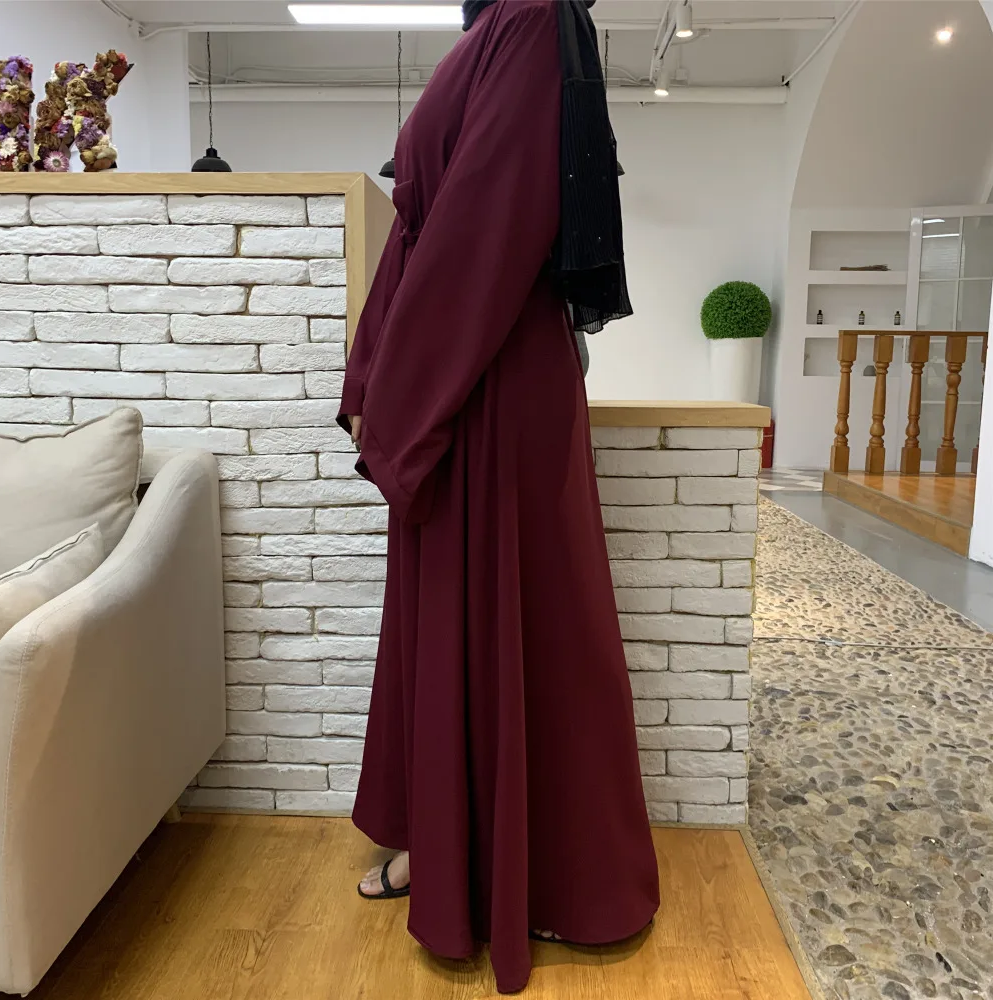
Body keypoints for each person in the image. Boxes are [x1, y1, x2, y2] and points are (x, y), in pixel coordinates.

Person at [337, 0, 660, 991]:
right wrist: (375, 376)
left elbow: (485, 226)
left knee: (515, 623)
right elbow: (430, 231)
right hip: (466, 374)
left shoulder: (528, 17)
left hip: (484, 379)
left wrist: (402, 396)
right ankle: (455, 853)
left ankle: (526, 876)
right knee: (462, 623)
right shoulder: (496, 27)